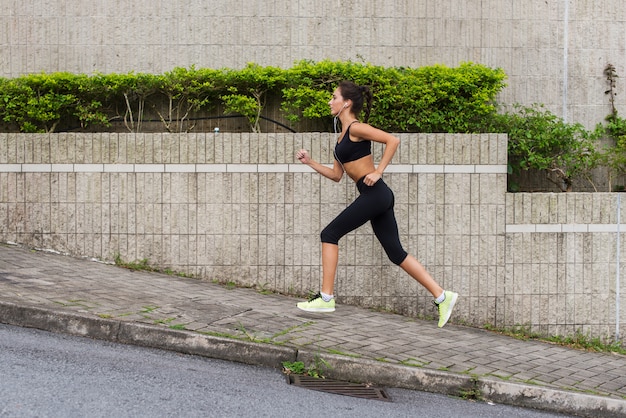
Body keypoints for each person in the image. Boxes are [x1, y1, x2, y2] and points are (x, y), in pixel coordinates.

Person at [295, 81, 458, 328]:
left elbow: (392, 141)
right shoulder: (341, 137)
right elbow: (337, 175)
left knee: (329, 234)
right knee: (396, 253)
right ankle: (443, 296)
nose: (330, 101)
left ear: (346, 103)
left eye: (334, 97)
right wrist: (310, 162)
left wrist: (379, 171)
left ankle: (326, 297)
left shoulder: (357, 129)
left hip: (375, 193)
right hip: (375, 196)